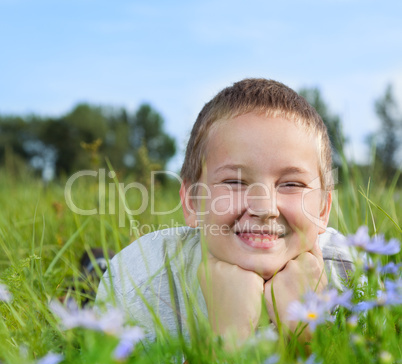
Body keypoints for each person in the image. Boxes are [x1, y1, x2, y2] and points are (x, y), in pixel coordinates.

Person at [96, 78, 353, 345]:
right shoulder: (137, 284)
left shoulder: (357, 279)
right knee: (87, 281)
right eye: (235, 182)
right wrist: (226, 341)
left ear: (323, 209)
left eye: (291, 184)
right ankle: (95, 265)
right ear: (192, 202)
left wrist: (300, 333)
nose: (264, 208)